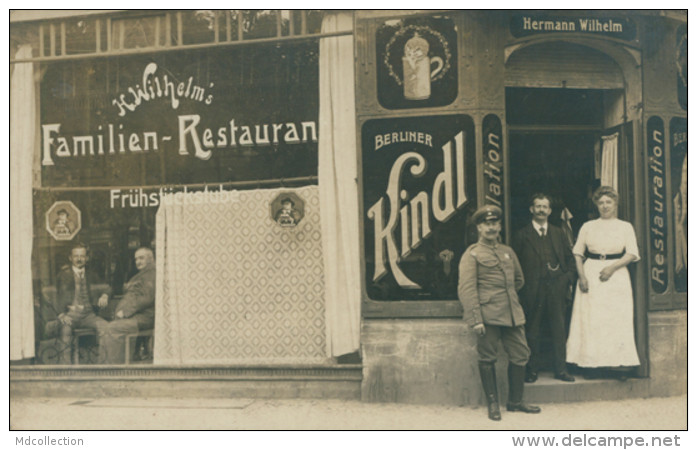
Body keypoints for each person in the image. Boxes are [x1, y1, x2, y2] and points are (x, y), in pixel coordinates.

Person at [458, 205, 541, 421]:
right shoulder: (472, 254)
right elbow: (467, 289)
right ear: (479, 227)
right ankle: (493, 404)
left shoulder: (507, 252)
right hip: (488, 316)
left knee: (521, 354)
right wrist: (476, 319)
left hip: (512, 314)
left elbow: (519, 280)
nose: (491, 228)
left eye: (495, 223)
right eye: (487, 224)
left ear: (500, 225)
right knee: (488, 357)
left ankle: (515, 401)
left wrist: (508, 299)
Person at [566, 186, 641, 380]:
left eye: (609, 202)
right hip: (591, 273)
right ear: (596, 205)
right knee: (592, 319)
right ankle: (591, 364)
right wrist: (582, 276)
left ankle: (617, 365)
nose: (605, 206)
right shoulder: (588, 226)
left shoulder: (625, 226)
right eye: (601, 203)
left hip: (617, 276)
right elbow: (577, 253)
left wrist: (611, 268)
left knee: (615, 319)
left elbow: (632, 253)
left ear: (615, 204)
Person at [512, 193, 576, 383]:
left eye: (544, 207)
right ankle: (532, 370)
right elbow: (514, 266)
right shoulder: (522, 235)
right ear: (531, 209)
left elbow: (570, 260)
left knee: (559, 329)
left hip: (556, 288)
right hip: (532, 290)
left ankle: (561, 370)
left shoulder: (559, 233)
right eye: (537, 206)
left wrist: (567, 279)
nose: (541, 210)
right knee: (533, 330)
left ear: (549, 211)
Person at [54, 243, 110, 364]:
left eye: (82, 256)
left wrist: (105, 295)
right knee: (65, 332)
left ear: (87, 258)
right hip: (70, 316)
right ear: (70, 258)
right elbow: (53, 296)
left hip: (89, 316)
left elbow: (107, 287)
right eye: (76, 256)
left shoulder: (92, 274)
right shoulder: (62, 275)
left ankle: (105, 367)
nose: (79, 259)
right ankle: (65, 370)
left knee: (108, 329)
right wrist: (61, 314)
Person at [100, 247, 156, 364]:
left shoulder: (151, 274)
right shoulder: (143, 274)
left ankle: (115, 367)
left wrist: (125, 312)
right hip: (137, 316)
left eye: (142, 258)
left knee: (113, 328)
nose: (138, 262)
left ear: (151, 259)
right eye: (136, 259)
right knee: (108, 328)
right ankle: (108, 365)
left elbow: (146, 299)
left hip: (145, 318)